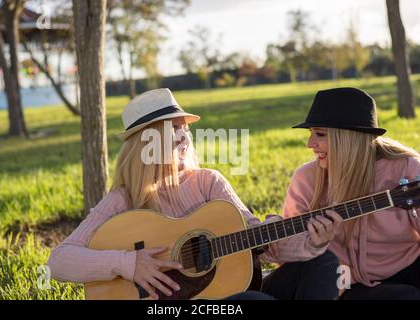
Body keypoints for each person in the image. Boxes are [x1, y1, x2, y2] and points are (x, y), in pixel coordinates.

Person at [48, 88, 339, 300]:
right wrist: (130, 264)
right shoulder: (123, 200)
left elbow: (259, 238)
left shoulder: (208, 182)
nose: (183, 136)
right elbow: (59, 261)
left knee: (322, 262)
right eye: (172, 129)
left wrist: (311, 241)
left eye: (184, 128)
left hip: (228, 292)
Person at [281, 87, 420, 300]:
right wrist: (313, 244)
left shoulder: (406, 168)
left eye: (319, 134)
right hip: (346, 287)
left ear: (348, 137)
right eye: (311, 134)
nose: (310, 144)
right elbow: (285, 253)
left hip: (408, 267)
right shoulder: (305, 179)